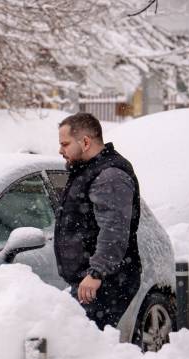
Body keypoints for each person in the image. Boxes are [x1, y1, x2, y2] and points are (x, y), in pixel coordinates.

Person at [54, 112, 142, 330]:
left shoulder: (109, 175)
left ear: (85, 142)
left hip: (105, 282)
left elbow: (114, 230)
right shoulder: (88, 170)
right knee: (86, 351)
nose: (60, 150)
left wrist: (97, 272)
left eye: (65, 144)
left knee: (87, 352)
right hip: (92, 281)